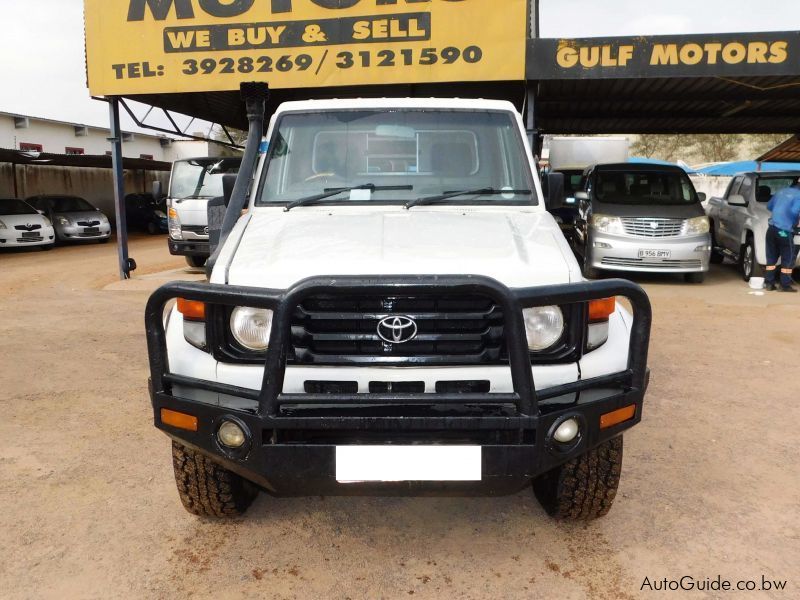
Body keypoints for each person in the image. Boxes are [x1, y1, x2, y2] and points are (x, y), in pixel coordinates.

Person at [764, 178, 800, 292]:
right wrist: (794, 222)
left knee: (771, 257)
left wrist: (781, 209)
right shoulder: (799, 195)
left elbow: (769, 206)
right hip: (783, 230)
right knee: (788, 257)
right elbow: (794, 211)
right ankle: (784, 285)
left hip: (771, 229)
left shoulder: (781, 191)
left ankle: (769, 283)